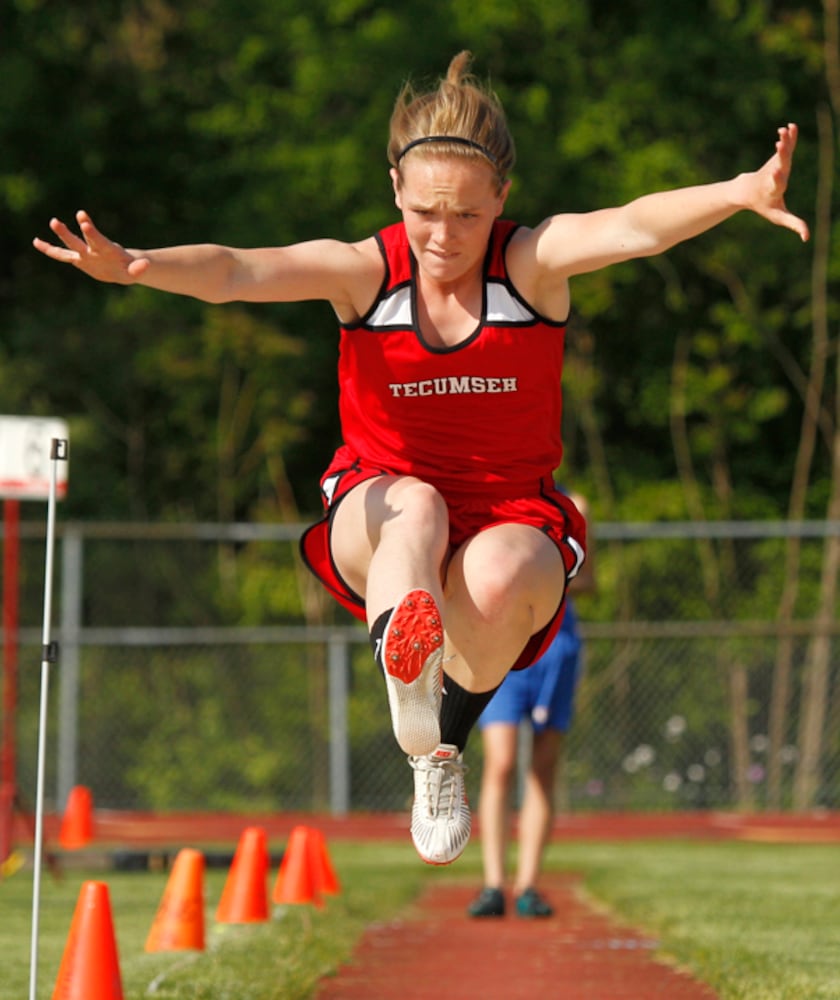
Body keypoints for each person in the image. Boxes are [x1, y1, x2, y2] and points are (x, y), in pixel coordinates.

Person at [33, 51, 808, 867]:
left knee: (508, 568)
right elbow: (238, 270)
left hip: (509, 510)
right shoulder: (366, 273)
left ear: (501, 199)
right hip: (381, 507)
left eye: (468, 217)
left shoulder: (530, 267)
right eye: (427, 213)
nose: (444, 237)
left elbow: (635, 225)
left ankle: (436, 749)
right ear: (396, 191)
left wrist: (739, 191)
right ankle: (411, 673)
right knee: (419, 507)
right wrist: (140, 268)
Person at [468, 492, 592, 919]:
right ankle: (492, 884)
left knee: (544, 765)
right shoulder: (496, 502)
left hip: (556, 646)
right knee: (500, 762)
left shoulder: (572, 505)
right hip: (503, 643)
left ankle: (528, 885)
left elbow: (588, 581)